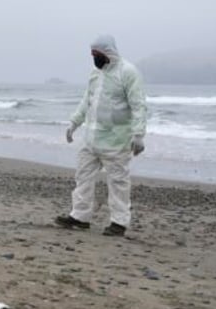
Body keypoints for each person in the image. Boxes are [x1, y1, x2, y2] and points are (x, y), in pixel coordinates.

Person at [55, 34, 148, 237]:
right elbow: (86, 101)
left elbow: (139, 105)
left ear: (108, 53)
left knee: (118, 181)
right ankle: (79, 217)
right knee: (83, 176)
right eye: (92, 54)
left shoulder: (128, 73)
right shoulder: (95, 75)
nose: (94, 58)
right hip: (91, 137)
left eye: (97, 54)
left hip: (116, 139)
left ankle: (119, 222)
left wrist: (139, 134)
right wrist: (74, 123)